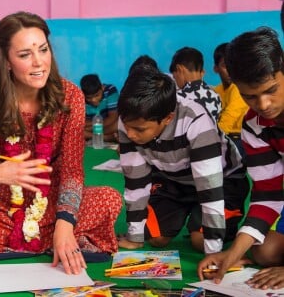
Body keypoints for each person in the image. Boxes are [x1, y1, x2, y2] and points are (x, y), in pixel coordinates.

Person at [0, 11, 122, 275]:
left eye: (43, 50)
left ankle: (53, 238)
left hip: (53, 203)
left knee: (108, 199)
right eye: (25, 55)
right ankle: (47, 244)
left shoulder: (70, 95)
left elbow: (72, 168)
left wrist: (65, 223)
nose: (39, 63)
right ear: (7, 61)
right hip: (0, 207)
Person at [117, 67, 249, 255]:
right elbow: (135, 180)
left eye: (139, 129)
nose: (130, 134)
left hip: (223, 181)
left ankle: (211, 224)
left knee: (200, 241)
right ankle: (190, 214)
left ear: (167, 118)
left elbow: (210, 189)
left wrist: (213, 253)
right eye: (127, 127)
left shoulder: (196, 121)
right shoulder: (130, 119)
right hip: (174, 180)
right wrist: (135, 237)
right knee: (156, 238)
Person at [198, 27, 284, 290]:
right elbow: (268, 195)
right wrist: (232, 256)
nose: (264, 104)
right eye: (250, 96)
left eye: (272, 90)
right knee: (264, 251)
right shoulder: (254, 126)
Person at [169, 46, 221, 124]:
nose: (175, 81)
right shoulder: (216, 97)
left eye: (174, 77)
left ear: (179, 69)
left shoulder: (179, 99)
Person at [213, 42, 248, 157]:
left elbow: (228, 120)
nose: (231, 69)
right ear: (216, 69)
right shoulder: (216, 90)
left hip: (240, 138)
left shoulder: (238, 87)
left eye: (234, 64)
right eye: (225, 65)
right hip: (225, 137)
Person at [80, 74, 119, 142]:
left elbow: (112, 118)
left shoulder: (110, 90)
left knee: (119, 124)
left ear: (102, 88)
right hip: (101, 128)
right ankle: (106, 138)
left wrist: (90, 128)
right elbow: (82, 122)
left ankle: (93, 136)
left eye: (97, 95)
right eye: (89, 98)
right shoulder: (80, 96)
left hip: (108, 126)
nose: (93, 100)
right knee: (75, 130)